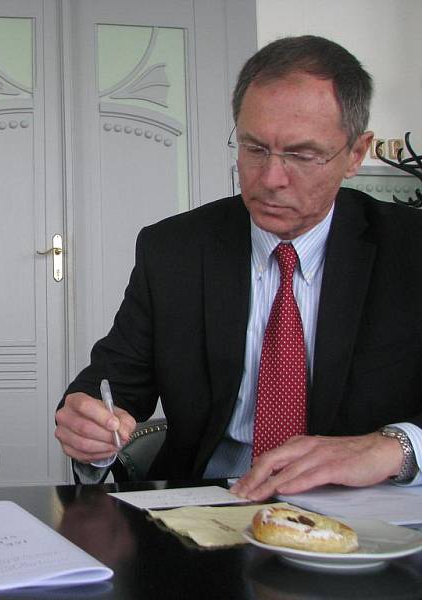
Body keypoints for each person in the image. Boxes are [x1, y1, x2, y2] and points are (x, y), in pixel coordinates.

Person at [55, 35, 422, 500]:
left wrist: (394, 448)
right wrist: (89, 426)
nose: (270, 179)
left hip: (365, 514)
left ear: (356, 153)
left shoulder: (409, 250)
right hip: (210, 506)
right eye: (254, 148)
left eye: (302, 155)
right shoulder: (175, 250)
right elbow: (112, 383)